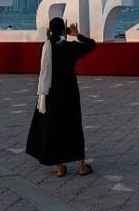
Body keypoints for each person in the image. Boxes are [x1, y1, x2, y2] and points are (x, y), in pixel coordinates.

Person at [26, 17, 96, 177]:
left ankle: (59, 167)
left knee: (56, 126)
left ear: (50, 31)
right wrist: (77, 34)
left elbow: (46, 60)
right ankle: (81, 167)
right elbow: (91, 45)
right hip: (69, 91)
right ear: (65, 31)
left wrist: (48, 38)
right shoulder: (70, 47)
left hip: (51, 92)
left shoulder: (46, 48)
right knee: (74, 125)